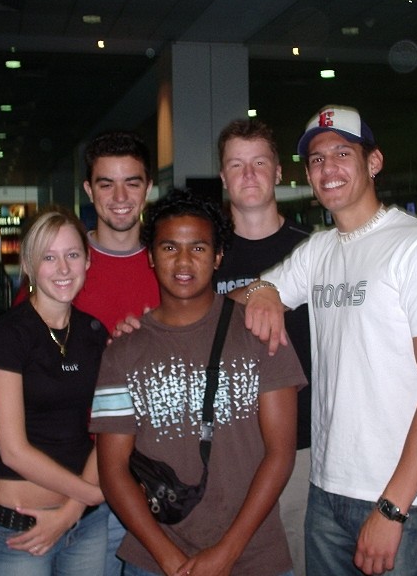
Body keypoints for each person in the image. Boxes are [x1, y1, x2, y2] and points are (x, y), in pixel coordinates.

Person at [241, 105, 417, 576]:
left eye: (342, 153)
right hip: (327, 489)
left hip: (402, 496)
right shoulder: (321, 249)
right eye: (317, 160)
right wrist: (265, 289)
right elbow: (250, 296)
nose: (328, 169)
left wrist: (392, 508)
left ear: (374, 162)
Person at [90, 188, 306, 576]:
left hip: (254, 557)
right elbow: (113, 470)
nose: (184, 261)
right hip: (155, 559)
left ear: (219, 255)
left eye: (199, 248)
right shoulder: (122, 352)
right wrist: (169, 559)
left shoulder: (259, 333)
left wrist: (226, 552)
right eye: (170, 248)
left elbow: (280, 453)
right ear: (152, 257)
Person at [0, 207, 109, 575]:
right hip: (21, 529)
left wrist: (74, 509)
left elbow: (109, 428)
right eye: (49, 257)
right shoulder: (7, 335)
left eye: (72, 255)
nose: (63, 268)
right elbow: (13, 450)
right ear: (29, 265)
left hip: (85, 522)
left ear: (87, 261)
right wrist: (91, 494)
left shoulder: (95, 333)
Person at [213, 119, 312, 576]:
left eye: (259, 163)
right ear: (223, 177)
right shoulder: (200, 255)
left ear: (278, 173)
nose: (248, 174)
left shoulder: (313, 251)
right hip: (224, 451)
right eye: (237, 165)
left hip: (303, 448)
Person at [75, 130, 161, 575]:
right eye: (106, 183)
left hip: (157, 477)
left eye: (132, 181)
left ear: (148, 187)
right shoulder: (64, 265)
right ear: (89, 190)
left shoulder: (171, 266)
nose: (120, 196)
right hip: (80, 474)